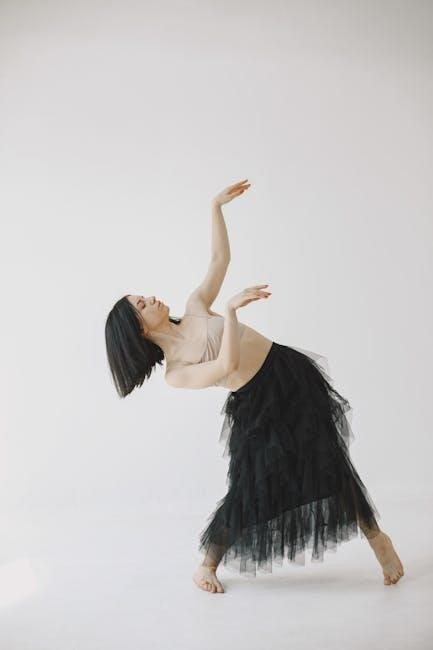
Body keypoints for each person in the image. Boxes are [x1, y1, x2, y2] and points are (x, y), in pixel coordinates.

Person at [104, 179, 405, 595]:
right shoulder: (177, 371)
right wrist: (229, 312)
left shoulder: (194, 306)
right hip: (256, 403)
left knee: (330, 460)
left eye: (144, 296)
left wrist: (215, 207)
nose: (151, 298)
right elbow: (227, 364)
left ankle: (378, 540)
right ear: (138, 331)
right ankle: (207, 564)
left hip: (289, 374)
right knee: (251, 487)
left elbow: (219, 259)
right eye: (142, 304)